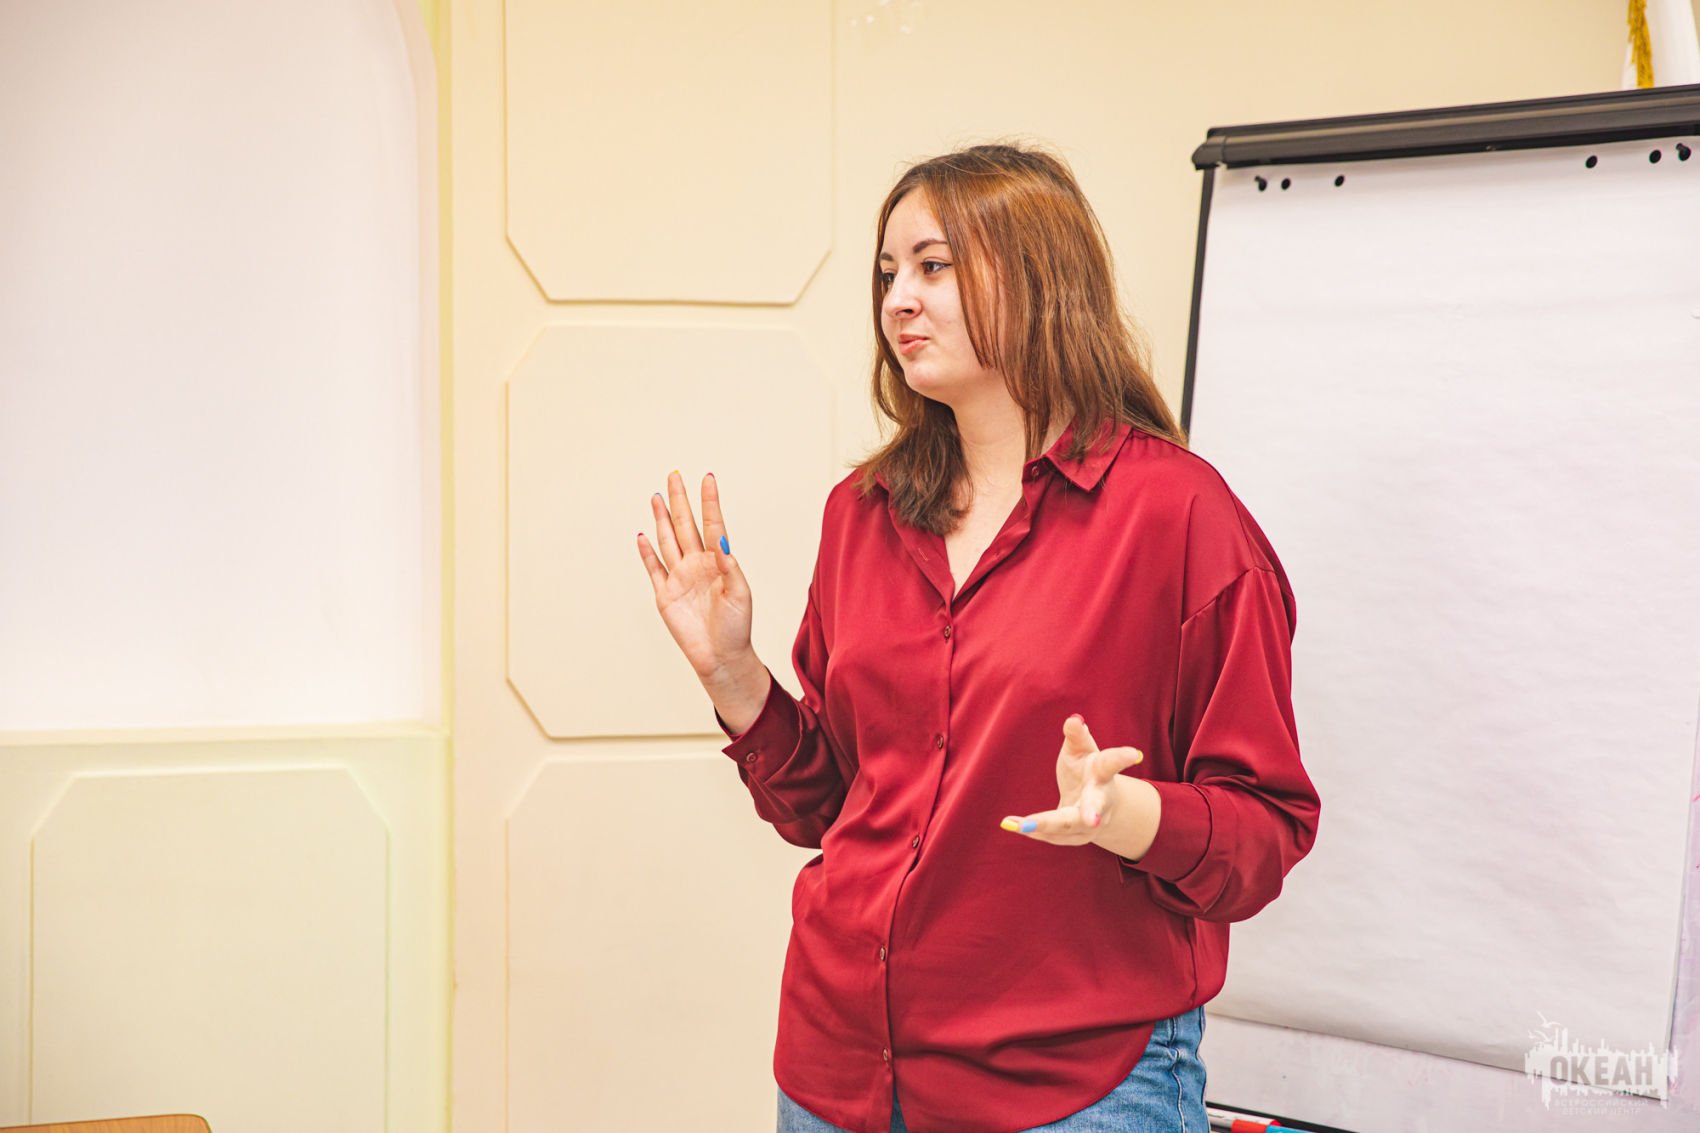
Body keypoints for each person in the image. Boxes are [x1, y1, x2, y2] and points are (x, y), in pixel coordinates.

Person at [636, 143, 1320, 1133]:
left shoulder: (1179, 517)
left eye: (933, 265)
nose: (897, 301)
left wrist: (1124, 812)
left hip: (1071, 1090)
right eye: (887, 273)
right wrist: (732, 672)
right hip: (834, 1076)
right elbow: (832, 806)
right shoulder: (860, 514)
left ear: (1039, 278)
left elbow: (1264, 831)